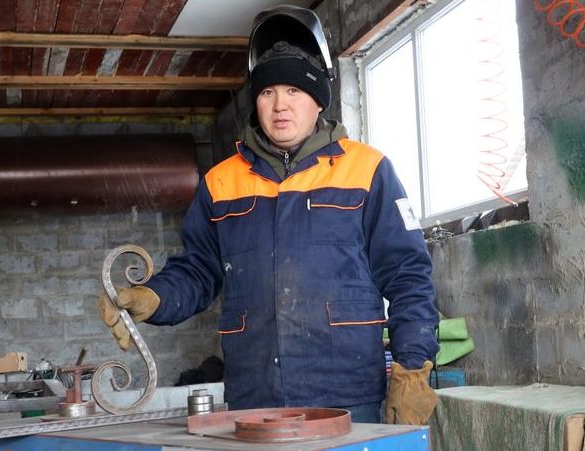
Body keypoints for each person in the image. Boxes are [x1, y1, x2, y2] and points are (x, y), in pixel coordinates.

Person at [99, 4, 439, 425]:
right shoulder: (222, 182)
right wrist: (154, 297)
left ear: (318, 100)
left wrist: (412, 367)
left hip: (347, 397)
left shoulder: (368, 171)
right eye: (267, 92)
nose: (280, 105)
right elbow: (199, 271)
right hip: (256, 399)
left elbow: (408, 275)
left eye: (294, 90)